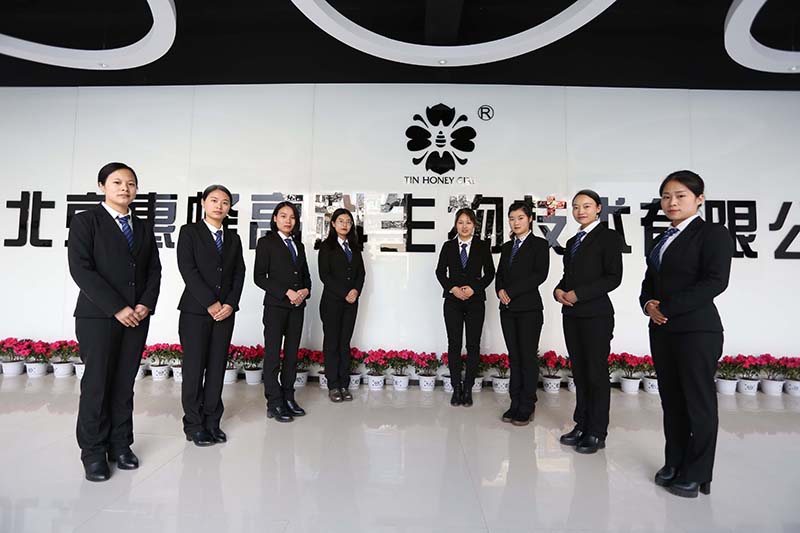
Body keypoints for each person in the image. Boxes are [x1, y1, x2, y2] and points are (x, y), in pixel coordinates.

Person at [639, 170, 733, 498]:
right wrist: (648, 304)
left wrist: (667, 307)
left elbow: (716, 281)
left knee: (698, 403)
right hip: (662, 330)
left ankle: (698, 473)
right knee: (672, 401)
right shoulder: (661, 238)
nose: (672, 202)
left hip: (697, 330)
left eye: (680, 195)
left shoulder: (712, 234)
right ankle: (674, 462)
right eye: (666, 196)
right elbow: (649, 281)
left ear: (699, 199)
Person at [67, 162, 161, 482]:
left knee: (123, 383)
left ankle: (120, 444)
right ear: (102, 186)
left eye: (131, 183)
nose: (125, 188)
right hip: (98, 316)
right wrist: (117, 307)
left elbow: (153, 270)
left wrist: (145, 304)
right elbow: (81, 269)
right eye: (117, 182)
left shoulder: (143, 227)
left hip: (137, 317)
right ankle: (93, 452)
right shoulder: (86, 221)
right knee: (97, 384)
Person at [554, 189, 623, 454]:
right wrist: (559, 290)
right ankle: (581, 425)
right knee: (580, 374)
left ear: (598, 209)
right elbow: (568, 276)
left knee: (595, 373)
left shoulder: (609, 237)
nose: (580, 211)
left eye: (586, 206)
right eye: (575, 207)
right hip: (571, 315)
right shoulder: (573, 241)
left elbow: (613, 277)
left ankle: (596, 431)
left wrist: (579, 294)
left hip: (596, 315)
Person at [177, 184, 245, 446]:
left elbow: (239, 273)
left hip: (225, 313)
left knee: (217, 368)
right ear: (204, 203)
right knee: (194, 369)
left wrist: (230, 304)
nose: (219, 206)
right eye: (214, 200)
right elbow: (188, 269)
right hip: (195, 312)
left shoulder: (233, 239)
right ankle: (194, 425)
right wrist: (210, 303)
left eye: (225, 202)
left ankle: (212, 422)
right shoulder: (189, 232)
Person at [254, 201, 311, 423]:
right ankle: (274, 402)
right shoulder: (266, 243)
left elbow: (306, 276)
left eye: (292, 217)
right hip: (276, 307)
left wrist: (305, 291)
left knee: (291, 355)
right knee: (272, 356)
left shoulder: (299, 245)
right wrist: (286, 292)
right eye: (284, 216)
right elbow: (259, 277)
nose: (288, 220)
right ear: (275, 218)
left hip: (297, 307)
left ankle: (288, 397)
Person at [494, 201, 550, 426]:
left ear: (530, 219)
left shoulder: (539, 245)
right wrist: (500, 290)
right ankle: (514, 402)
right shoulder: (508, 247)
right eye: (512, 218)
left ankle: (527, 405)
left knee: (527, 357)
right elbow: (499, 274)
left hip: (529, 310)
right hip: (507, 309)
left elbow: (540, 275)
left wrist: (511, 291)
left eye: (520, 218)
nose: (515, 222)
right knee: (514, 357)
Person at [435, 208, 495, 406]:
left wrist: (474, 288)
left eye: (468, 222)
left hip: (475, 301)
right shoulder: (448, 246)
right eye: (460, 222)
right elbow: (440, 272)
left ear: (474, 225)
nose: (464, 226)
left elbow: (490, 273)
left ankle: (468, 388)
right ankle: (456, 388)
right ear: (455, 225)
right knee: (454, 344)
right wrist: (452, 288)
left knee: (473, 345)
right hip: (452, 302)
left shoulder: (482, 246)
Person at [318, 208, 365, 403]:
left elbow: (361, 273)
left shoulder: (354, 247)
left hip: (351, 303)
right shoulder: (326, 246)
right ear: (333, 224)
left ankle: (344, 384)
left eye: (348, 221)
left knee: (344, 343)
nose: (345, 225)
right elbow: (325, 275)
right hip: (332, 302)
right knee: (332, 343)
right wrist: (344, 292)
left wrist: (356, 291)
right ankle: (333, 385)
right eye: (341, 221)